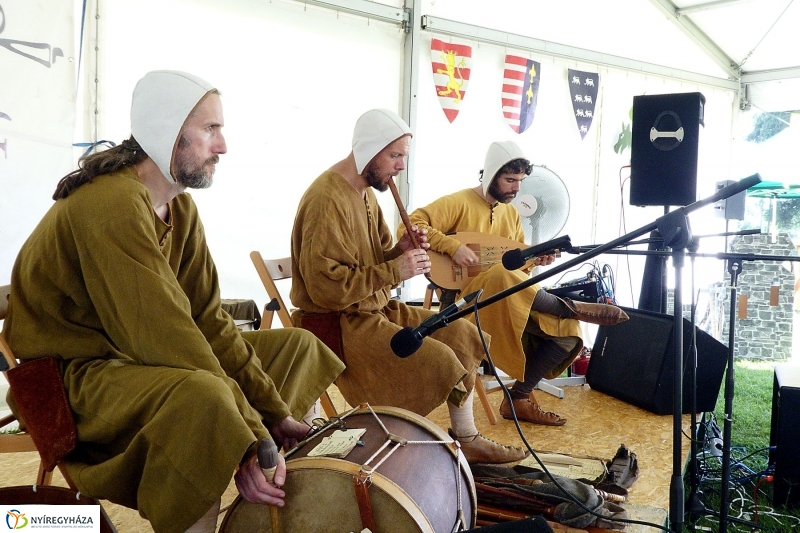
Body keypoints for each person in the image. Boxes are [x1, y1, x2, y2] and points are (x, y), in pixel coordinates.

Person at [2, 70, 344, 533]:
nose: (222, 146)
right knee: (204, 398)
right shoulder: (111, 204)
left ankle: (290, 498)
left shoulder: (179, 207)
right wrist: (251, 435)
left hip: (132, 361)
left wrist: (275, 414)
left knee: (295, 345)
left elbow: (207, 318)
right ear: (167, 132)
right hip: (74, 381)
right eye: (210, 129)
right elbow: (163, 335)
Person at [289, 109, 528, 466]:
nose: (401, 166)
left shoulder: (367, 193)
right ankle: (401, 452)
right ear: (370, 150)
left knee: (460, 332)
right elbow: (326, 288)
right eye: (395, 155)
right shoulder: (328, 199)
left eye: (404, 156)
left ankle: (466, 437)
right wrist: (394, 269)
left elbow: (374, 259)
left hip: (374, 309)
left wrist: (397, 252)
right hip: (340, 321)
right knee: (437, 359)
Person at [403, 140, 628, 426]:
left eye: (520, 181)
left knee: (569, 333)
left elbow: (515, 269)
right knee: (498, 275)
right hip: (462, 300)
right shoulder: (458, 202)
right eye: (510, 180)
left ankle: (519, 398)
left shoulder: (511, 214)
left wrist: (535, 261)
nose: (516, 188)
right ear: (491, 174)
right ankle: (568, 305)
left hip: (506, 300)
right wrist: (451, 247)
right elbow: (410, 224)